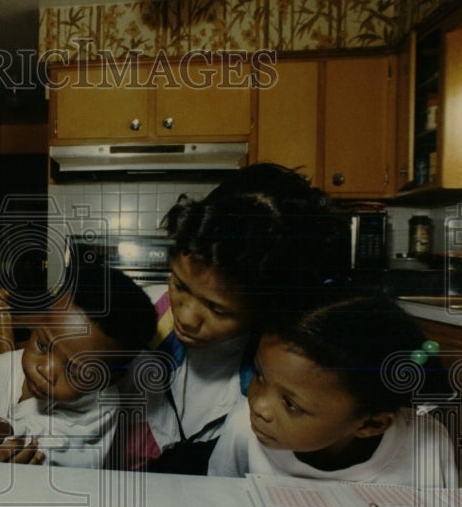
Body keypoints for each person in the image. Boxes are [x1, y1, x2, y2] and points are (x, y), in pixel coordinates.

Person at [109, 163, 344, 474]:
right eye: (180, 285)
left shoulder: (281, 370)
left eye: (218, 309)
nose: (188, 317)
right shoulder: (140, 318)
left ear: (268, 306)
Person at [0, 265, 157, 468]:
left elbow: (28, 444)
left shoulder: (100, 408)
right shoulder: (5, 364)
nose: (46, 370)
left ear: (109, 379)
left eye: (75, 370)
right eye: (42, 345)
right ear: (37, 322)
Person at [208, 291, 459, 486]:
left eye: (291, 404)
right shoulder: (242, 427)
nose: (259, 405)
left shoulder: (426, 445)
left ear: (370, 425)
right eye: (260, 375)